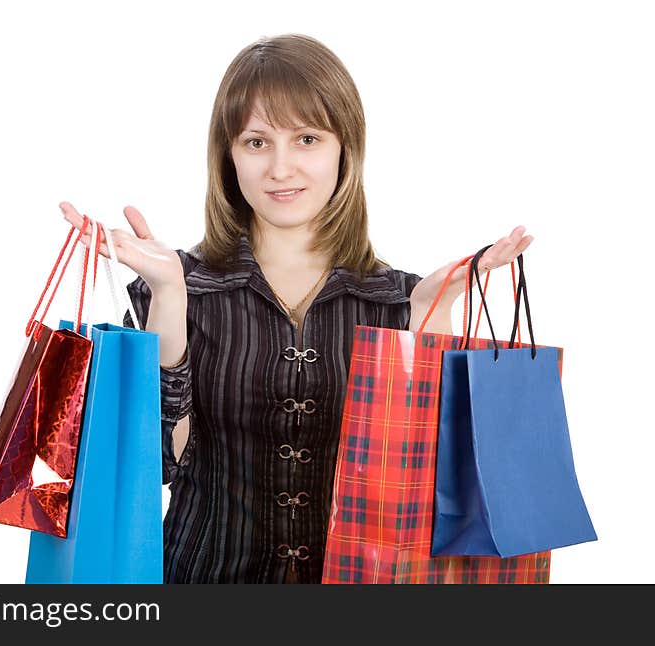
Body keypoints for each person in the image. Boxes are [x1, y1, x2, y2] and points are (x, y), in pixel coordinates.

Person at [59, 33, 533, 583]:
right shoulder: (178, 287)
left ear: (344, 150)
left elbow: (431, 494)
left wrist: (430, 323)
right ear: (229, 157)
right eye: (256, 142)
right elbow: (152, 469)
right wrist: (167, 294)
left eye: (306, 138)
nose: (280, 168)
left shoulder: (401, 298)